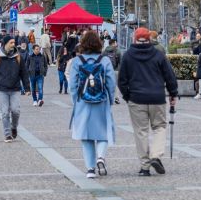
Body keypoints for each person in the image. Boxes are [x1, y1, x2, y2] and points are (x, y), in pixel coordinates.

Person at [118, 27, 179, 177]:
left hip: (137, 98)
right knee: (159, 127)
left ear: (134, 39)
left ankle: (145, 167)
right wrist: (173, 93)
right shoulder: (158, 55)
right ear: (150, 39)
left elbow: (122, 80)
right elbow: (169, 76)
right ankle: (156, 155)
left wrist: (128, 97)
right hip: (157, 97)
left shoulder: (127, 56)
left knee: (141, 131)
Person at [68, 31, 116, 178]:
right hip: (101, 101)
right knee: (103, 132)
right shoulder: (105, 60)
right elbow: (111, 83)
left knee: (86, 136)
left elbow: (73, 85)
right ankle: (100, 157)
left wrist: (76, 99)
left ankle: (90, 169)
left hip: (83, 101)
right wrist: (110, 99)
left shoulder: (77, 61)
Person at [0, 35, 30, 143]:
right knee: (5, 113)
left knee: (16, 111)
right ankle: (7, 134)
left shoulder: (18, 56)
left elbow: (24, 73)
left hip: (15, 89)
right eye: (11, 43)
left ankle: (14, 127)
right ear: (5, 44)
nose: (13, 45)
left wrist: (27, 88)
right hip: (2, 89)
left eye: (13, 43)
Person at [103, 39, 122, 104]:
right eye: (116, 42)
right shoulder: (117, 51)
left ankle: (107, 97)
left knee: (106, 83)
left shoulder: (105, 51)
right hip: (115, 70)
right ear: (113, 43)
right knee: (115, 84)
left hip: (106, 70)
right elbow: (121, 62)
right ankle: (117, 98)